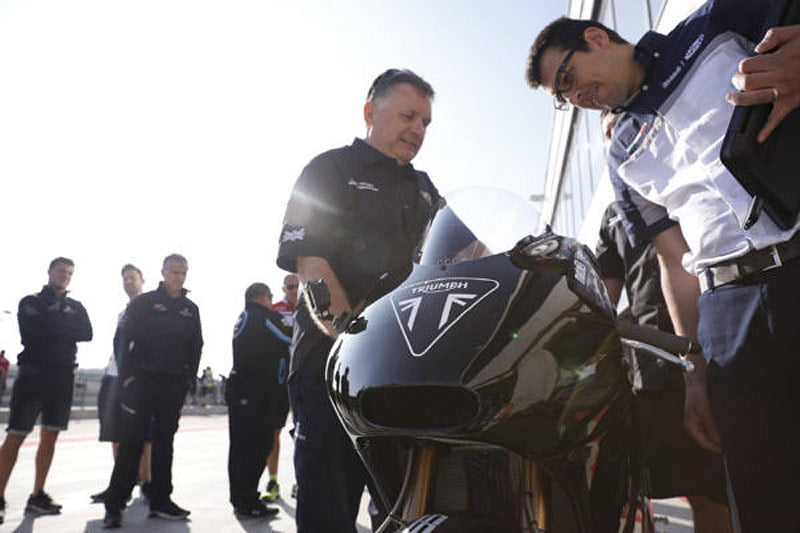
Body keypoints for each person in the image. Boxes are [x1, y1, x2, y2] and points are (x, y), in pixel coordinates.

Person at [526, 4, 800, 530]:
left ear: (596, 37)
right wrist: (695, 377)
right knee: (764, 500)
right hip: (727, 313)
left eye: (568, 75)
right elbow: (675, 262)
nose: (574, 95)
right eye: (562, 97)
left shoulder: (713, 24)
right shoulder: (621, 153)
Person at [276, 68, 442, 532]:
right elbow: (310, 264)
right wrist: (358, 343)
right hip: (334, 370)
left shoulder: (426, 189)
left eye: (426, 122)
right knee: (328, 508)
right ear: (371, 112)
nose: (418, 129)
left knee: (408, 510)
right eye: (408, 115)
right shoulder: (328, 170)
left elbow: (464, 259)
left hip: (407, 378)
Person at [596, 201, 731, 532]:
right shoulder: (614, 213)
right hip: (654, 371)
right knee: (697, 492)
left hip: (716, 351)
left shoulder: (680, 174)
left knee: (725, 493)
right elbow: (602, 301)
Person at [102, 254, 203, 529]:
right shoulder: (144, 303)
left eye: (183, 272)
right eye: (174, 272)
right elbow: (122, 338)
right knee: (131, 443)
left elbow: (196, 346)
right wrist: (127, 377)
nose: (179, 277)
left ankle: (161, 501)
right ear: (163, 272)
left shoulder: (190, 309)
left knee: (164, 444)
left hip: (173, 386)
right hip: (142, 382)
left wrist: (188, 382)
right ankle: (114, 504)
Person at [0, 257, 93, 523]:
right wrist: (64, 326)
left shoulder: (76, 306)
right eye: (61, 271)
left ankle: (37, 494)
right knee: (16, 435)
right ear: (50, 272)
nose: (65, 276)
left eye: (69, 273)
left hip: (62, 377)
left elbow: (86, 333)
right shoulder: (30, 302)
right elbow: (32, 332)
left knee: (50, 436)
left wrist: (53, 323)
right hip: (33, 375)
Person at [227, 282, 290, 519]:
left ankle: (242, 499)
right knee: (256, 447)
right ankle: (247, 501)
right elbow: (291, 337)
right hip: (255, 392)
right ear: (263, 297)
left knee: (242, 449)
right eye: (270, 297)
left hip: (244, 390)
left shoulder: (244, 316)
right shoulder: (263, 317)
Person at [91, 264, 152, 503]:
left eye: (132, 278)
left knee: (145, 436)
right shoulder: (124, 312)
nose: (128, 282)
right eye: (125, 279)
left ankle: (148, 483)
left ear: (142, 280)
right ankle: (121, 482)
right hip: (113, 378)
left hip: (137, 379)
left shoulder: (150, 308)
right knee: (114, 433)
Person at [261, 273, 298, 503]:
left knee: (305, 432)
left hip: (305, 378)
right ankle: (272, 480)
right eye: (289, 287)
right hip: (279, 381)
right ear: (283, 289)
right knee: (273, 432)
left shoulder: (313, 305)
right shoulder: (274, 310)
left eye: (297, 286)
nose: (293, 290)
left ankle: (301, 480)